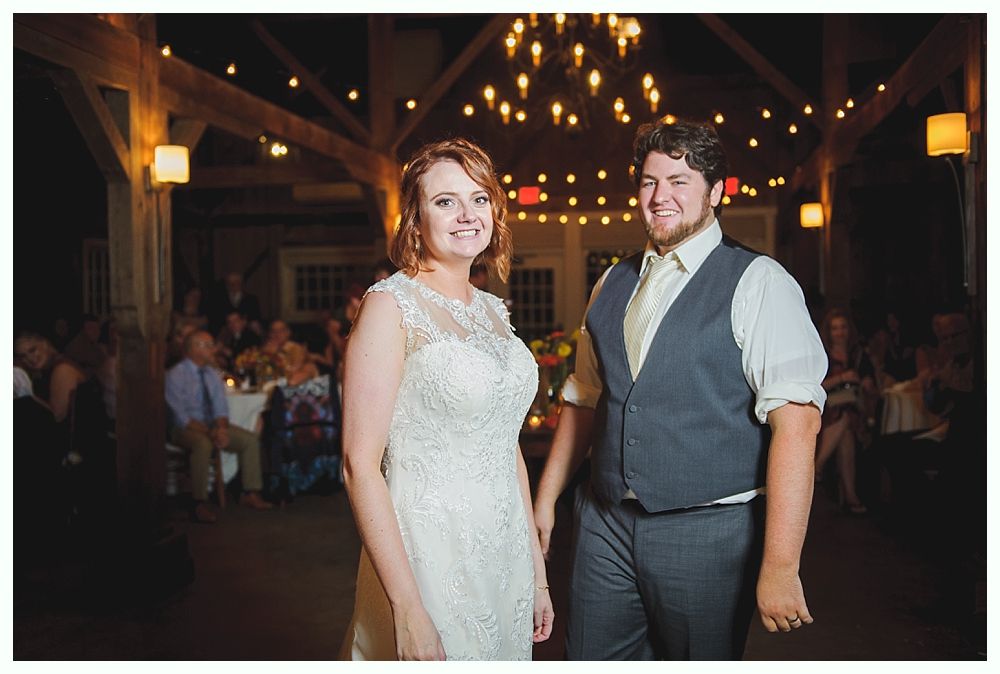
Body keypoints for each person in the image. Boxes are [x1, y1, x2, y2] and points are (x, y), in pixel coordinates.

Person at [532, 118, 827, 660]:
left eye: (680, 180)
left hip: (709, 530)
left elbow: (798, 426)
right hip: (605, 524)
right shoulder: (610, 282)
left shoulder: (760, 282)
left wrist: (781, 567)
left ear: (716, 192)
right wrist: (546, 500)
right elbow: (584, 398)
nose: (660, 195)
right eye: (649, 181)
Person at [340, 138, 553, 660]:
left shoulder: (493, 312)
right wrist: (407, 607)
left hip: (503, 556)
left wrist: (536, 569)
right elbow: (357, 464)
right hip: (428, 555)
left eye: (479, 199)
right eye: (445, 201)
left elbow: (507, 450)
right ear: (415, 217)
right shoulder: (390, 306)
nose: (467, 214)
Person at [165, 330, 273, 523]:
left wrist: (221, 428)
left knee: (249, 440)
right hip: (185, 429)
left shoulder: (211, 374)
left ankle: (250, 492)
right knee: (203, 444)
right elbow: (181, 417)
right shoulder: (176, 375)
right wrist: (210, 432)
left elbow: (220, 407)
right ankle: (198, 503)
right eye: (207, 345)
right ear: (194, 348)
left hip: (212, 426)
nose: (213, 349)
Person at [814, 308, 877, 514]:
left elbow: (870, 383)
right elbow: (815, 386)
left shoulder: (858, 354)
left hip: (853, 407)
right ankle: (850, 496)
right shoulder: (821, 354)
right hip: (829, 408)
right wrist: (842, 378)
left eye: (842, 328)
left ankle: (817, 466)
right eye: (835, 329)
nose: (839, 333)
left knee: (847, 413)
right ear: (829, 332)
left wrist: (865, 383)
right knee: (846, 427)